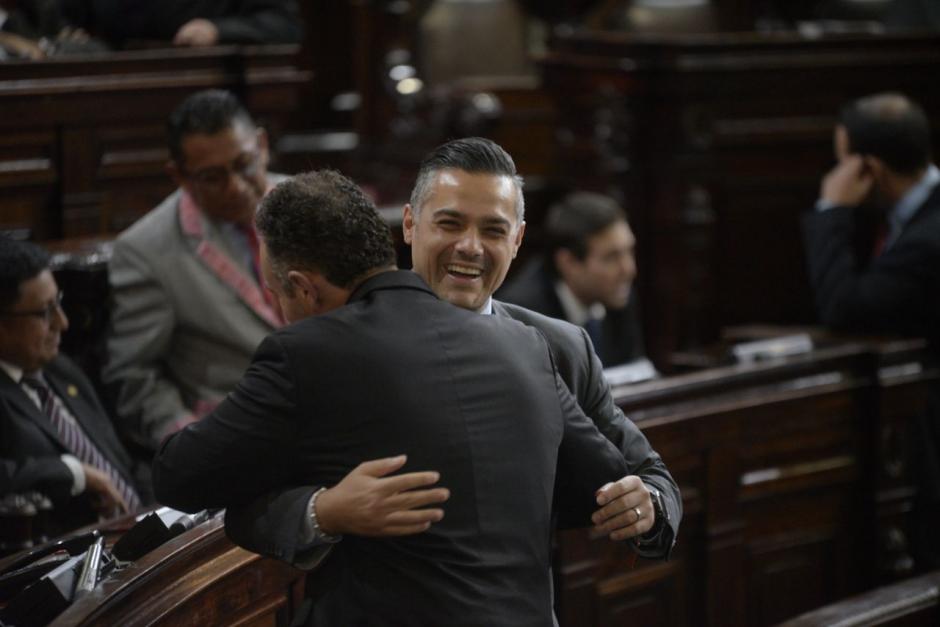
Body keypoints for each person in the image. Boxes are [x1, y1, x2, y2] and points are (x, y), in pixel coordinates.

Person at [152, 170, 630, 626]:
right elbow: (606, 478)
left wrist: (321, 510)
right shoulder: (524, 343)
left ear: (303, 288)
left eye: (278, 294)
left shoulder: (305, 353)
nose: (282, 308)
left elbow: (180, 475)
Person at [225, 138, 679, 572]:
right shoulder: (330, 346)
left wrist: (649, 506)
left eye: (493, 230)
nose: (470, 246)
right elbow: (246, 504)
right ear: (409, 224)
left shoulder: (563, 348)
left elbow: (652, 475)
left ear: (518, 240)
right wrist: (324, 513)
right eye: (450, 224)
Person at [802, 92, 940, 569]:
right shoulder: (915, 218)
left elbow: (844, 308)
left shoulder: (928, 241)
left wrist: (831, 208)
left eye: (842, 163)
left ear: (869, 169)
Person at [103, 89, 283, 451]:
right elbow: (134, 378)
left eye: (244, 164)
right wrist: (191, 446)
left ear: (262, 145)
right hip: (234, 443)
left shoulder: (315, 202)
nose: (235, 187)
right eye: (213, 177)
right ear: (179, 176)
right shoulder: (145, 251)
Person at [0, 237, 143, 536]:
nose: (62, 323)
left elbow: (124, 465)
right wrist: (73, 472)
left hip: (144, 533)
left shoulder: (60, 368)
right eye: (44, 313)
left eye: (59, 303)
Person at [498, 191, 646, 368]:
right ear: (568, 262)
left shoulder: (618, 294)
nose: (629, 269)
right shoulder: (523, 317)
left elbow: (633, 373)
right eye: (611, 257)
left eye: (629, 251)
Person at [60, 0, 301, 48]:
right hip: (112, 91)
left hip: (206, 93)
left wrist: (217, 30)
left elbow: (283, 25)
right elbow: (68, 16)